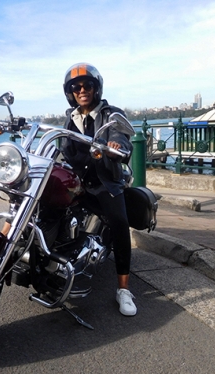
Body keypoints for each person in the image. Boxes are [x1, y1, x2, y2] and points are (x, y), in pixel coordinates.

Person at [61, 63, 137, 316]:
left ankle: (124, 289)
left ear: (96, 88)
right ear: (70, 91)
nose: (82, 90)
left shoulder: (110, 114)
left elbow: (121, 134)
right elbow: (62, 146)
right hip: (78, 180)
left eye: (87, 85)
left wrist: (116, 144)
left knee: (119, 222)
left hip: (105, 181)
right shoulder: (70, 119)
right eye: (76, 87)